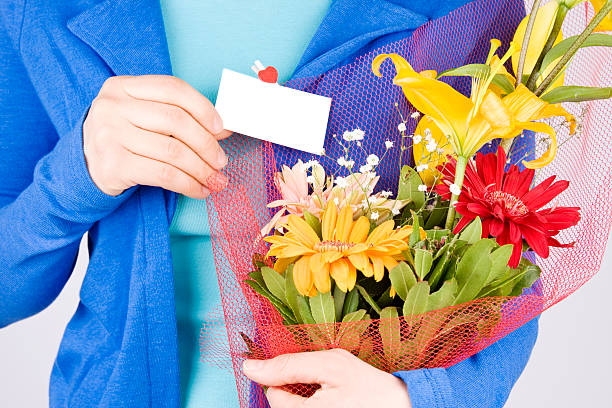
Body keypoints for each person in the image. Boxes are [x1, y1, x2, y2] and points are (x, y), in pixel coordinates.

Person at [0, 0, 538, 407]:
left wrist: (413, 398)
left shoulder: (467, 9)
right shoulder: (41, 8)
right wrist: (76, 174)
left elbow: (510, 277)